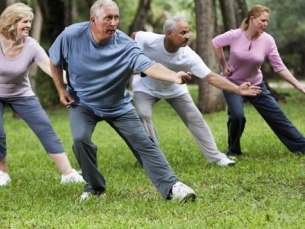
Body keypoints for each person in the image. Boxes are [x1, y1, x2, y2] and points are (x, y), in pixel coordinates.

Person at [49, 0, 196, 202]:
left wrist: (174, 76)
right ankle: (94, 188)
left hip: (117, 105)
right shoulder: (71, 35)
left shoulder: (125, 44)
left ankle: (172, 187)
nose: (113, 23)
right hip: (82, 102)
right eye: (108, 18)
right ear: (93, 20)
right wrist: (60, 89)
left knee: (144, 143)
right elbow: (54, 60)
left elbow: (148, 65)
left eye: (116, 17)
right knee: (80, 140)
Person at [130, 16, 261, 167]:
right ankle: (153, 158)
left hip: (175, 88)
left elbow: (211, 77)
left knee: (196, 119)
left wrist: (237, 89)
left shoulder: (189, 56)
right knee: (143, 114)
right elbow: (134, 35)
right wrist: (133, 57)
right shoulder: (150, 40)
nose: (187, 36)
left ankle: (216, 157)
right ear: (169, 33)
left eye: (188, 32)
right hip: (145, 86)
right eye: (183, 33)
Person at [0, 3, 85, 186]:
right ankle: (2, 172)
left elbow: (50, 68)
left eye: (30, 21)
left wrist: (78, 80)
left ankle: (68, 173)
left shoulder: (31, 45)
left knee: (44, 127)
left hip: (21, 93)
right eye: (24, 21)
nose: (28, 25)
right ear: (11, 22)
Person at [212, 5, 305, 158]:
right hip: (232, 84)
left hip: (256, 85)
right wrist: (224, 64)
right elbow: (216, 42)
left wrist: (299, 85)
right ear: (252, 19)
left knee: (278, 116)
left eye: (267, 21)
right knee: (237, 116)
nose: (265, 24)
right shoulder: (235, 35)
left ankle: (302, 146)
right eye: (262, 20)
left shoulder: (268, 40)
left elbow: (279, 67)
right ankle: (233, 151)